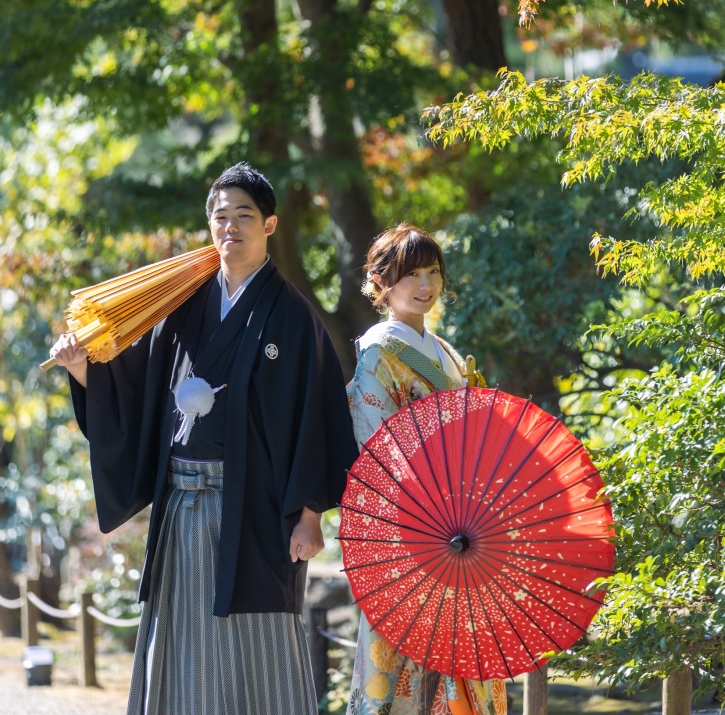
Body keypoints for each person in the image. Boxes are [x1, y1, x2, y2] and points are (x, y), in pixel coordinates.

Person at [50, 161, 358, 715]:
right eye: (220, 216)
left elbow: (317, 416)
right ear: (209, 225)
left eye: (244, 215)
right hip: (182, 508)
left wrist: (311, 514)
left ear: (270, 225)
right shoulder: (183, 304)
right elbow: (142, 391)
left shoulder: (292, 316)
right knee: (180, 637)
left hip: (258, 513)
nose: (230, 227)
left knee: (259, 640)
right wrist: (84, 372)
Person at [346, 223, 507, 715]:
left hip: (463, 521)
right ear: (381, 283)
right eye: (410, 273)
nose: (425, 284)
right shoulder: (379, 353)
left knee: (465, 656)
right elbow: (381, 446)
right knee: (404, 660)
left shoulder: (446, 352)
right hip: (410, 525)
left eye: (433, 272)